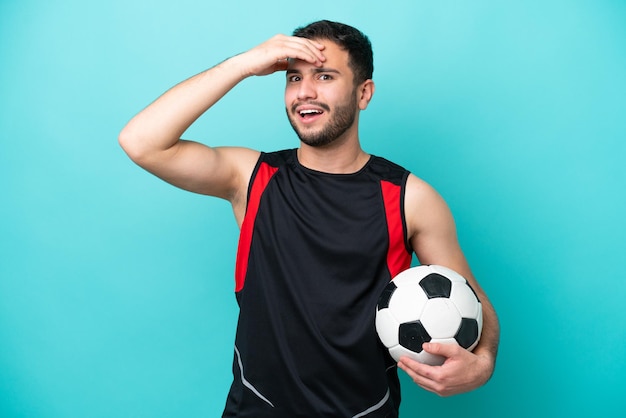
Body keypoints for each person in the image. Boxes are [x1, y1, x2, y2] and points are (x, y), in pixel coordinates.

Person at [119, 20, 499, 418]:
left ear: (363, 93)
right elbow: (141, 142)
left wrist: (483, 361)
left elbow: (470, 298)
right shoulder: (252, 178)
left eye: (325, 75)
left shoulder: (410, 199)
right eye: (293, 77)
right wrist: (243, 64)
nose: (304, 91)